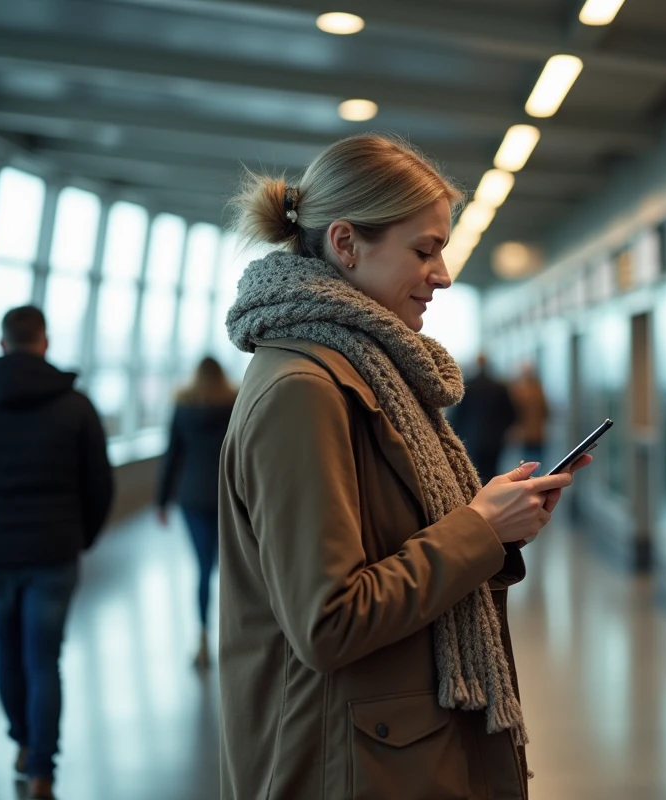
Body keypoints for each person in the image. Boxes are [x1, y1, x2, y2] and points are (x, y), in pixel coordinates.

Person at [218, 134, 589, 800]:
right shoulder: (305, 390)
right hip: (347, 763)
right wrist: (477, 529)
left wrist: (497, 526)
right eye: (425, 250)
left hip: (386, 748)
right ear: (345, 243)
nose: (443, 275)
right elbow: (329, 622)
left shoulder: (369, 371)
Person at [0, 306, 113, 800]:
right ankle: (41, 771)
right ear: (45, 343)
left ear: (2, 342)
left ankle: (22, 740)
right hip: (54, 551)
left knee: (6, 648)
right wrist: (84, 535)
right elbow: (100, 483)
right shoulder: (75, 406)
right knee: (43, 660)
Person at [156, 356, 236, 669]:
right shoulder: (233, 403)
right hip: (227, 495)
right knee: (233, 569)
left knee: (203, 567)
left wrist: (162, 501)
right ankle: (235, 639)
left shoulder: (183, 406)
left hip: (192, 497)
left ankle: (202, 639)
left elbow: (171, 454)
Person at [451, 354, 518, 484]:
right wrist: (502, 430)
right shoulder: (499, 387)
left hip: (472, 438)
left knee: (474, 473)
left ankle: (478, 500)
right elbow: (511, 414)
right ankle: (494, 499)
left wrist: (458, 434)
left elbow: (458, 415)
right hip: (495, 439)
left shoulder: (467, 386)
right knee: (493, 472)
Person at [510, 363, 550, 467]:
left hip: (529, 433)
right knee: (535, 461)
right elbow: (546, 411)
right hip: (532, 433)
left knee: (526, 463)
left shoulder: (519, 390)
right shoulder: (537, 389)